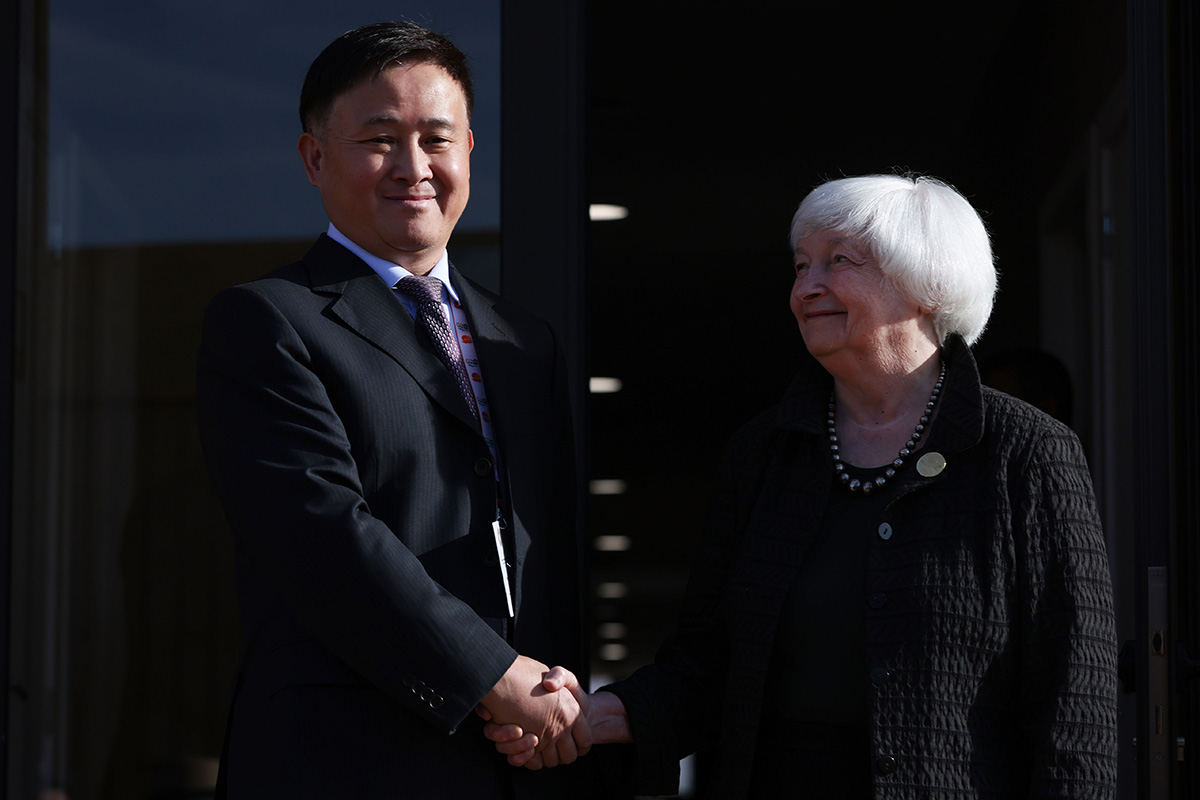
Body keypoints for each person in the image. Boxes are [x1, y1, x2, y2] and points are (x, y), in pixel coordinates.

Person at [490, 174, 1118, 798]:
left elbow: (1076, 704)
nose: (806, 288)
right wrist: (598, 715)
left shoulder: (1028, 455)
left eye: (838, 261)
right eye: (799, 266)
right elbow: (709, 665)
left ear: (927, 284)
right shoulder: (764, 454)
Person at [196, 21, 592, 799]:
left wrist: (551, 707)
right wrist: (491, 675)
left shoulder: (525, 343)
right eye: (379, 139)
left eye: (436, 139)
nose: (414, 167)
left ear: (470, 150)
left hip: (514, 764)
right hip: (343, 763)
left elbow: (549, 553)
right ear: (314, 157)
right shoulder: (268, 322)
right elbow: (322, 535)